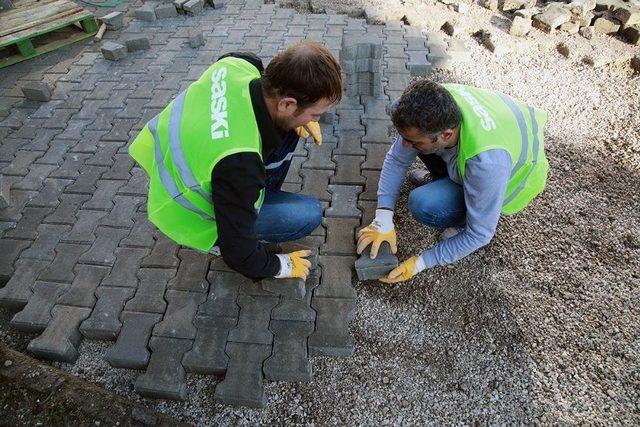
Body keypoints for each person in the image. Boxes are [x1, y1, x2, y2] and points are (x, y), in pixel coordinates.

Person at [129, 42, 342, 281]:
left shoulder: (239, 65)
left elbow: (231, 56)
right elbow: (238, 254)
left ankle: (253, 199)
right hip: (187, 211)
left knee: (290, 128)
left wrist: (303, 118)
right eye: (315, 114)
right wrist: (279, 266)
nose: (316, 119)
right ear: (286, 103)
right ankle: (217, 238)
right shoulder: (239, 163)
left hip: (178, 159)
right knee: (308, 213)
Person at [357, 79, 548, 283]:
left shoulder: (486, 164)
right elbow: (396, 158)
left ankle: (465, 218)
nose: (405, 144)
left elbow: (480, 235)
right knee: (413, 134)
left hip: (510, 182)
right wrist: (383, 218)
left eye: (413, 140)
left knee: (425, 204)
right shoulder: (435, 107)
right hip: (480, 149)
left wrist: (420, 263)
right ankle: (444, 178)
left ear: (446, 134)